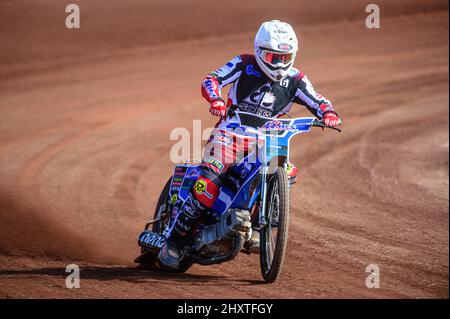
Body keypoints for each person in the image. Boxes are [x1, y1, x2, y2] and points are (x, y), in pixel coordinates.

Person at [159, 20, 341, 269]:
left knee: (286, 172)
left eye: (284, 57)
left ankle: (257, 227)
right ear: (259, 51)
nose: (278, 64)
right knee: (209, 181)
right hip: (229, 135)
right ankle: (175, 241)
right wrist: (216, 99)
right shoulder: (244, 64)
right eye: (272, 56)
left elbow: (318, 99)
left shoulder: (296, 79)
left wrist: (328, 112)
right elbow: (212, 79)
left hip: (267, 140)